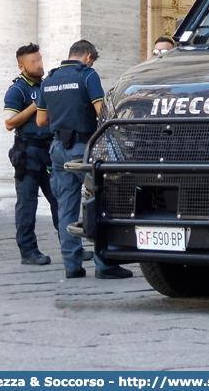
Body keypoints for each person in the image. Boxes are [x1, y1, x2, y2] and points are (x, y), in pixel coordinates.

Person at [37, 39, 133, 280]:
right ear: (89, 56)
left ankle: (72, 265)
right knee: (102, 201)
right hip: (83, 148)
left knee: (66, 207)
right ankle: (105, 264)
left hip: (58, 148)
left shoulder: (49, 79)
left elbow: (40, 121)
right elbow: (101, 112)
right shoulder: (87, 76)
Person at [3, 44, 60, 265]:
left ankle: (69, 245)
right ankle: (28, 251)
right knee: (27, 203)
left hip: (48, 150)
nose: (39, 65)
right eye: (33, 62)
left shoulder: (46, 85)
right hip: (27, 151)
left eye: (40, 60)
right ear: (22, 66)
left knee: (58, 200)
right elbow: (9, 123)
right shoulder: (17, 90)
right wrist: (35, 106)